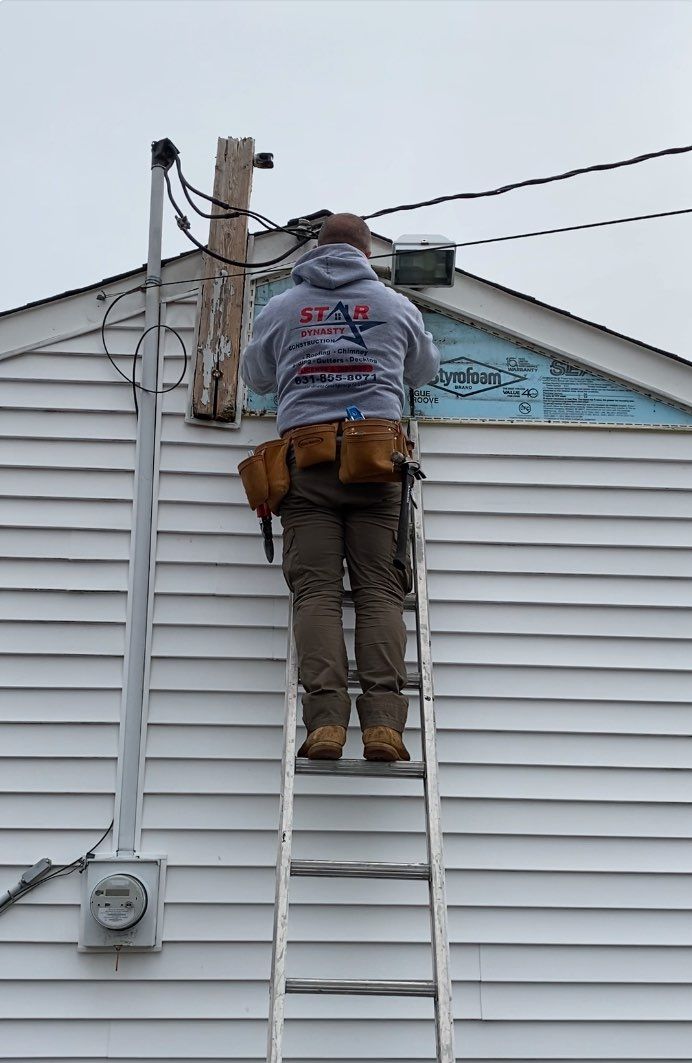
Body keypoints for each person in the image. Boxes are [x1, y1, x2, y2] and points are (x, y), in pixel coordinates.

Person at [240, 213, 440, 762]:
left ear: (316, 251)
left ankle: (326, 725)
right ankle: (383, 727)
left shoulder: (281, 308)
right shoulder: (396, 306)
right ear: (367, 253)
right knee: (379, 592)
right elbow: (423, 370)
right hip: (378, 462)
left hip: (305, 466)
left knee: (317, 594)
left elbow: (255, 377)